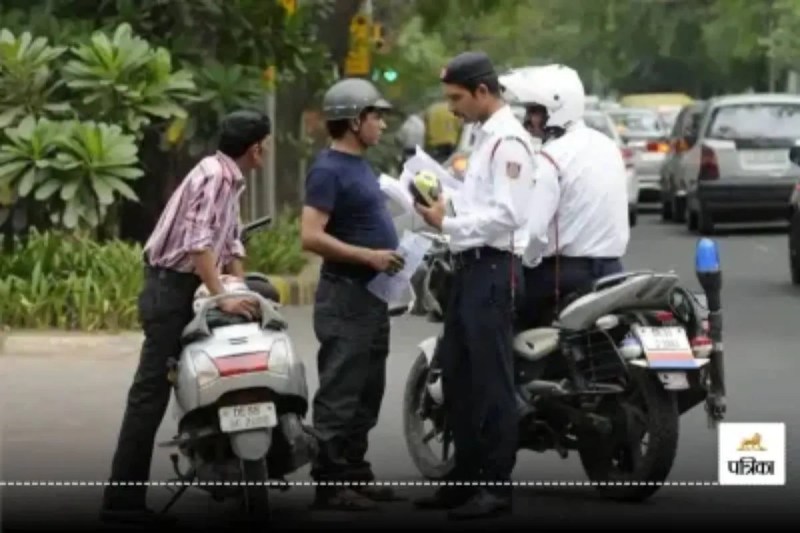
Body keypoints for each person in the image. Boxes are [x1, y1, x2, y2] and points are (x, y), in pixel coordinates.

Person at [100, 109, 272, 525]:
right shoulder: (215, 176)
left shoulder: (227, 177)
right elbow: (198, 245)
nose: (266, 151)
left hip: (182, 286)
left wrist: (239, 287)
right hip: (169, 289)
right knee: (150, 394)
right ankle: (121, 503)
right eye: (265, 144)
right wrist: (222, 298)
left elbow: (228, 240)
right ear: (256, 148)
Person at [412, 51, 537, 520]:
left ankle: (495, 487)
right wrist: (444, 200)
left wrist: (450, 224)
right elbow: (478, 199)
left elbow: (510, 215)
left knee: (491, 382)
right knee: (458, 377)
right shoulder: (484, 137)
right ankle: (463, 479)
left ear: (483, 91)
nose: (452, 108)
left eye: (457, 98)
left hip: (493, 268)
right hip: (469, 268)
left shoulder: (509, 142)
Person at [300, 77, 406, 511]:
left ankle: (355, 472)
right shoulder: (327, 169)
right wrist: (369, 257)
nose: (381, 123)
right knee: (341, 390)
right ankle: (329, 481)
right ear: (354, 121)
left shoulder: (361, 166)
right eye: (375, 116)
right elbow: (310, 236)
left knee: (368, 390)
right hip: (345, 297)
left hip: (372, 298)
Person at [507, 64, 630, 330]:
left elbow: (536, 232)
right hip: (613, 270)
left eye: (534, 111)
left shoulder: (551, 157)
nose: (527, 120)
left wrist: (524, 261)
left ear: (556, 110)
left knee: (499, 318)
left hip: (563, 275)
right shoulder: (607, 146)